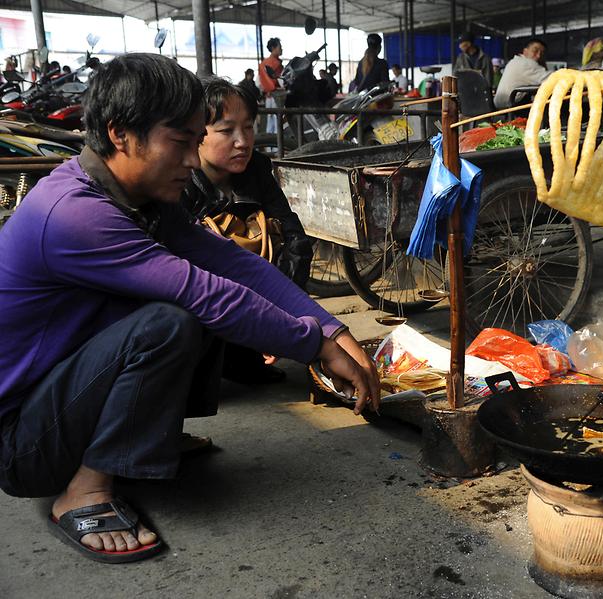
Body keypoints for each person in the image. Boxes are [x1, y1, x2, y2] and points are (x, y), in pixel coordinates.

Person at [0, 53, 379, 563]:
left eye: (196, 141)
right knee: (171, 319)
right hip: (22, 442)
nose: (190, 160)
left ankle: (139, 443)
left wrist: (332, 330)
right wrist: (311, 344)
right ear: (120, 134)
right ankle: (85, 490)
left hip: (62, 397)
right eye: (180, 143)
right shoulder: (75, 214)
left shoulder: (137, 196)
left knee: (191, 307)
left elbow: (232, 264)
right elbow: (209, 293)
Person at [181, 77, 316, 383]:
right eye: (227, 130)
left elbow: (296, 241)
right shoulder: (180, 180)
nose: (242, 141)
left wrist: (283, 319)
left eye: (249, 127)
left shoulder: (257, 170)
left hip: (256, 300)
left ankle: (249, 356)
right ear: (196, 133)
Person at [493, 38, 550, 109]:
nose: (538, 56)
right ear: (525, 51)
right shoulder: (526, 64)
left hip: (500, 106)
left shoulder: (515, 61)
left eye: (542, 53)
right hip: (511, 109)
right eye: (535, 51)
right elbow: (551, 78)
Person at [258, 37, 283, 135]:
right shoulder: (276, 63)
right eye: (279, 47)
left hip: (268, 97)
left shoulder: (263, 63)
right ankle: (278, 147)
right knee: (278, 124)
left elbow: (260, 82)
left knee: (270, 124)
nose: (281, 49)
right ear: (273, 48)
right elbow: (281, 80)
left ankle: (269, 148)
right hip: (277, 96)